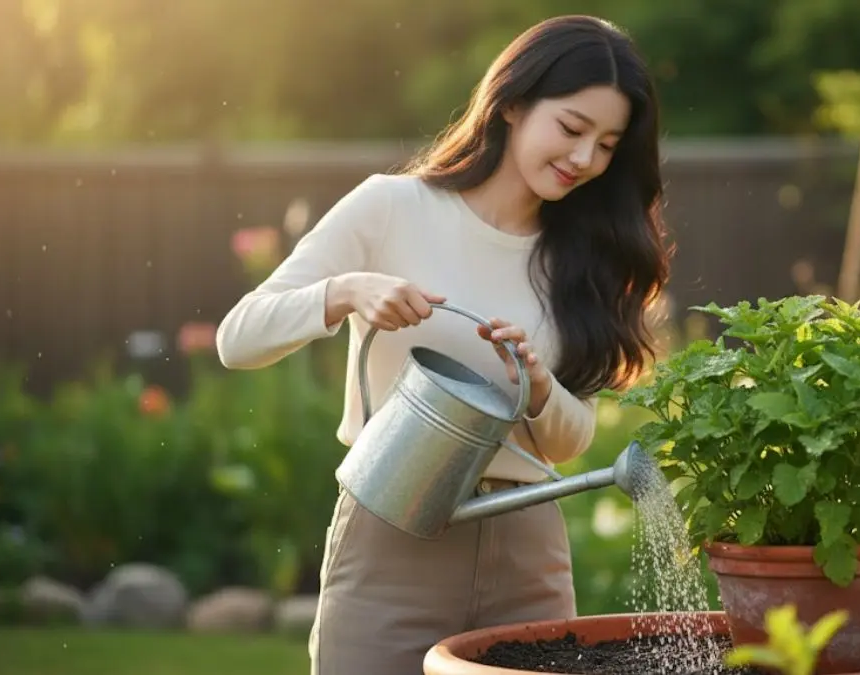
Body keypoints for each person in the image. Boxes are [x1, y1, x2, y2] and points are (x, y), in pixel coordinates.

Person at [215, 14, 672, 675]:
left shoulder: (585, 257)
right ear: (513, 103)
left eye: (607, 145)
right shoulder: (392, 207)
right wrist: (347, 291)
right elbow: (238, 338)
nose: (584, 159)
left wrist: (541, 386)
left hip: (528, 541)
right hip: (395, 530)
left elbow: (569, 442)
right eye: (572, 129)